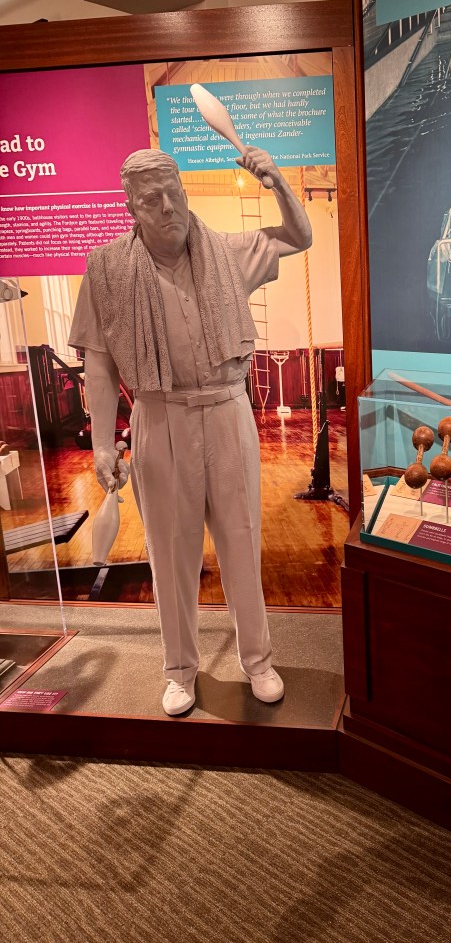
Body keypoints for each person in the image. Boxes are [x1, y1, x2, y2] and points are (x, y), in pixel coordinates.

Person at [68, 146, 312, 716]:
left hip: (227, 411)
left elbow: (298, 237)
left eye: (174, 193)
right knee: (170, 553)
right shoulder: (107, 270)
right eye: (152, 199)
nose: (168, 207)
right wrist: (102, 444)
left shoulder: (227, 252)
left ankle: (258, 660)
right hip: (159, 416)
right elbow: (99, 365)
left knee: (241, 540)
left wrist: (277, 182)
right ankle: (179, 669)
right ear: (131, 207)